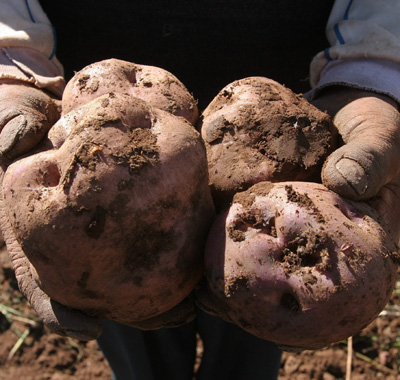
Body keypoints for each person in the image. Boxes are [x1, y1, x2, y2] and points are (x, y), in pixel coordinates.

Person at [1, 1, 400, 379]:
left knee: (252, 323)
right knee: (132, 318)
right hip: (94, 161)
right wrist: (9, 74)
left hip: (291, 131)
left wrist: (373, 80)